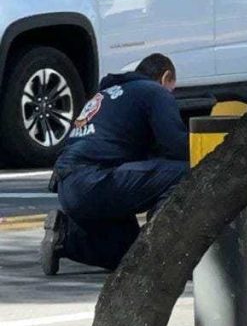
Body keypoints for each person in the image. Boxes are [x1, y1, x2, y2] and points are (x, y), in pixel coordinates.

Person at [40, 54, 189, 275]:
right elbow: (176, 146)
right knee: (188, 173)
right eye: (171, 89)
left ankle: (66, 237)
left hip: (69, 186)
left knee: (131, 252)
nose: (171, 96)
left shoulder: (107, 95)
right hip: (96, 180)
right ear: (165, 77)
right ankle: (163, 246)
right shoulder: (154, 92)